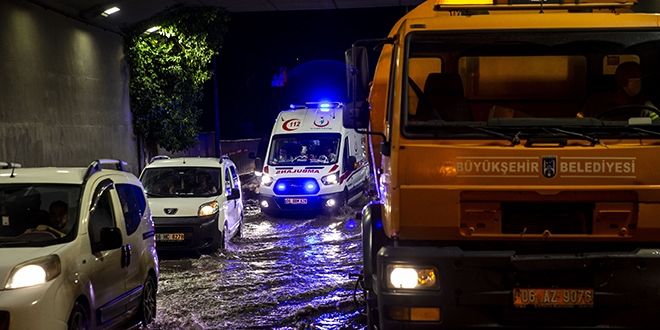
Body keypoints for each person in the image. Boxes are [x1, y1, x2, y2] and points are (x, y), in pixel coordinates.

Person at [579, 61, 659, 121]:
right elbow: (579, 123)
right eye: (635, 76)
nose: (638, 80)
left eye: (639, 77)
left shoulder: (643, 104)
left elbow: (657, 122)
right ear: (620, 78)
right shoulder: (595, 101)